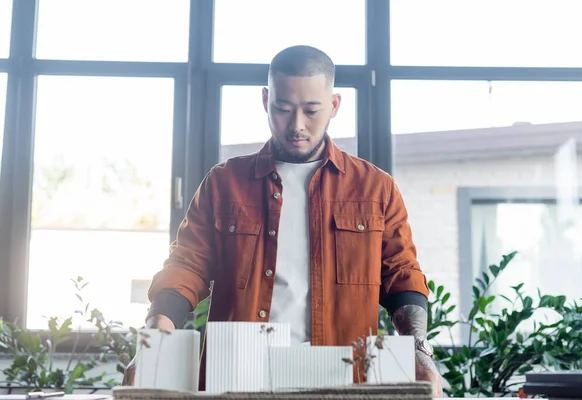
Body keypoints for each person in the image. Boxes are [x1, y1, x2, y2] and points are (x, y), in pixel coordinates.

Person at [123, 45, 442, 397]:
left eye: (311, 110)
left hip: (343, 380)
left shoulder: (376, 188)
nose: (296, 125)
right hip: (238, 376)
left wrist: (419, 351)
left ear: (334, 105)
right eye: (283, 109)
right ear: (265, 100)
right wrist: (151, 344)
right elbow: (186, 267)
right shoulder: (224, 182)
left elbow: (401, 275)